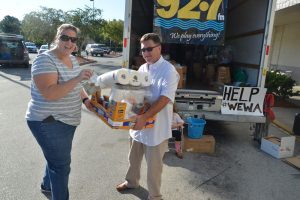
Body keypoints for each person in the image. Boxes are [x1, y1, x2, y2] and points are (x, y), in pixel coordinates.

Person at [25, 24, 93, 200]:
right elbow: (50, 93)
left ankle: (47, 185)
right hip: (48, 121)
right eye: (65, 37)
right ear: (57, 38)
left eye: (73, 39)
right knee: (61, 165)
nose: (69, 42)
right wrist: (78, 77)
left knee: (55, 159)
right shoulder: (44, 60)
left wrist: (86, 100)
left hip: (68, 121)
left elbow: (77, 86)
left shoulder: (72, 59)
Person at [116, 33, 179, 200]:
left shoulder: (169, 71)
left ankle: (155, 196)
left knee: (154, 167)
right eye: (143, 50)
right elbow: (139, 92)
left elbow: (165, 98)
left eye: (149, 49)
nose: (146, 53)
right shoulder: (143, 68)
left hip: (156, 128)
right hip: (138, 122)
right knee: (133, 159)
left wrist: (146, 116)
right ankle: (131, 182)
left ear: (159, 48)